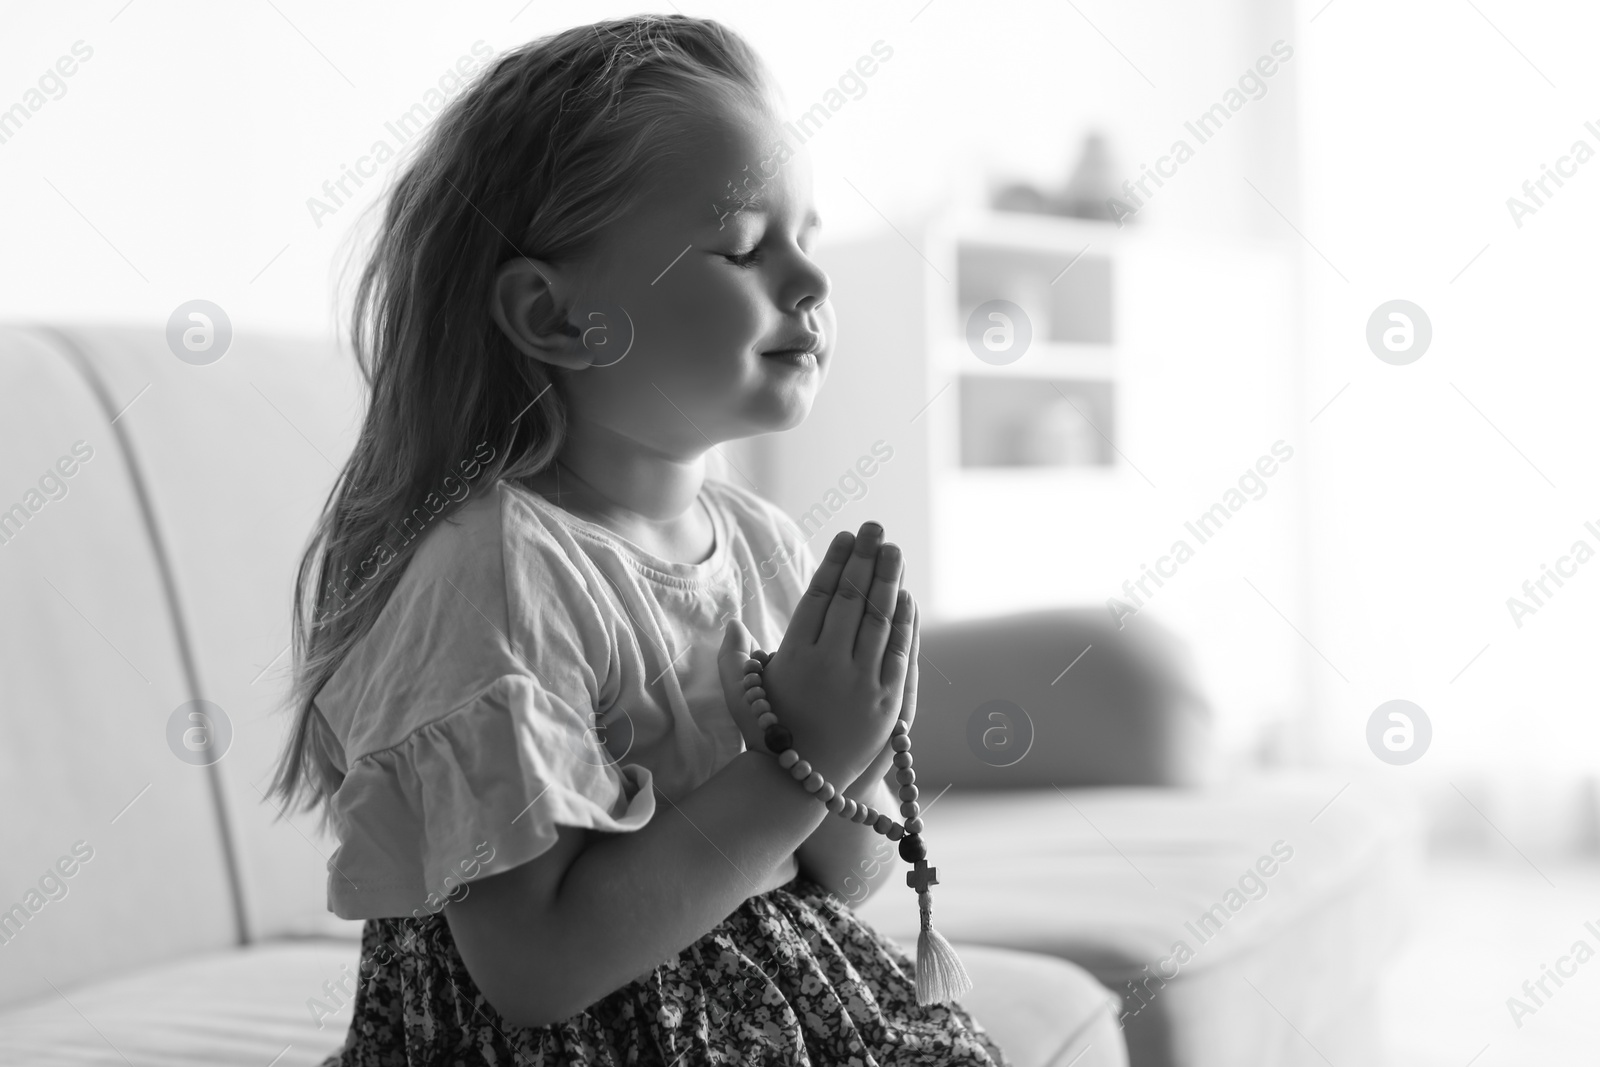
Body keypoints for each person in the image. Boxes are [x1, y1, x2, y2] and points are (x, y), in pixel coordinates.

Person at [270, 15, 1010, 1064]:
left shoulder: (756, 543)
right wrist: (794, 761)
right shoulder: (500, 575)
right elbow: (535, 971)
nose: (810, 281)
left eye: (807, 235)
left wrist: (854, 735)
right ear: (557, 316)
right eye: (746, 247)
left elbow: (842, 876)